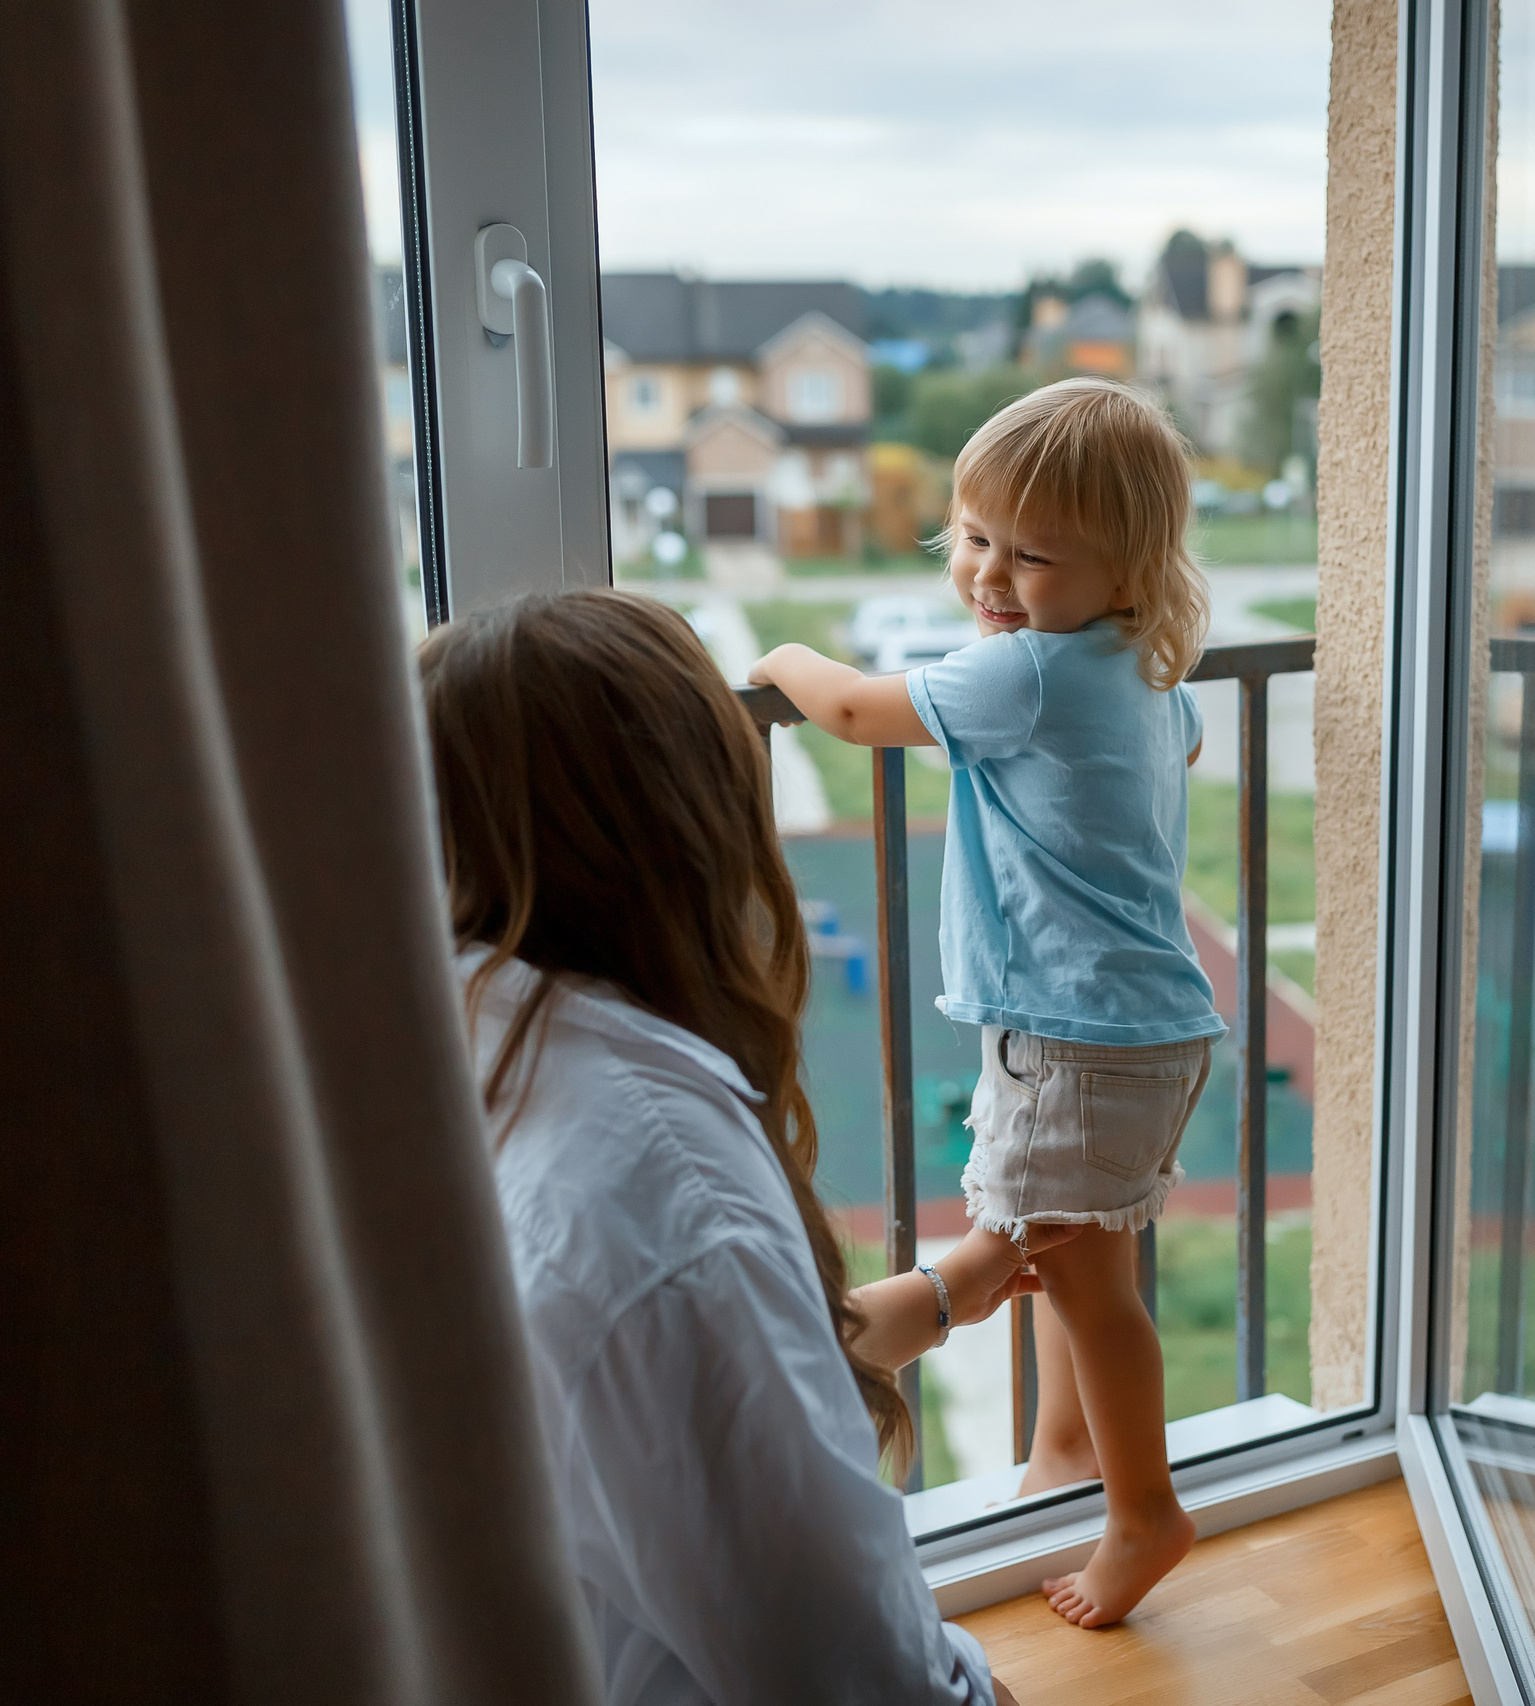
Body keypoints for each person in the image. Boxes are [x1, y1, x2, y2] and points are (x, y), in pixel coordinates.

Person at [420, 587, 1060, 1704]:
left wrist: (952, 1288)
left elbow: (674, 1400)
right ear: (688, 821)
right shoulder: (668, 1196)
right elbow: (851, 1674)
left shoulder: (455, 1049)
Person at [751, 377, 1222, 1630]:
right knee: (1071, 1263)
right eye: (975, 540)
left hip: (1075, 1038)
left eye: (1032, 555)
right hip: (1146, 1028)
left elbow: (850, 710)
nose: (991, 579)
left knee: (1083, 1284)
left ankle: (1140, 1509)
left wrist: (775, 660)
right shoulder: (1145, 668)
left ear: (1125, 563)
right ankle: (1063, 1454)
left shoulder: (1018, 675)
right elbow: (1176, 753)